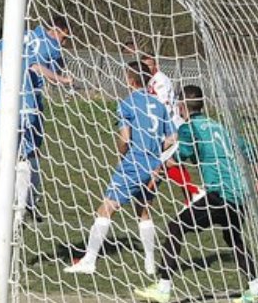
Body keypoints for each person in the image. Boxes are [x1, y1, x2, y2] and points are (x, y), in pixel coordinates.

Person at [134, 85, 258, 303]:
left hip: (220, 193)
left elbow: (183, 154)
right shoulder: (219, 126)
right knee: (233, 237)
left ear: (182, 106)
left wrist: (160, 167)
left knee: (175, 227)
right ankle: (256, 290)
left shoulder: (189, 127)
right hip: (239, 193)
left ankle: (163, 289)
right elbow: (248, 149)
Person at [64, 61, 176, 275]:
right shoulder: (160, 105)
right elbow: (172, 137)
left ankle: (89, 260)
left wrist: (122, 155)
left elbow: (125, 138)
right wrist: (156, 151)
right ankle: (150, 264)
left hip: (134, 162)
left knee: (106, 208)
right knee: (143, 211)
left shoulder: (127, 103)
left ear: (130, 80)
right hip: (154, 164)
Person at [0, 18, 72, 214]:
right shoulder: (23, 51)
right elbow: (38, 68)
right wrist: (62, 79)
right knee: (23, 158)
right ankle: (23, 206)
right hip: (24, 113)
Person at [140, 53, 203, 203]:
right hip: (163, 128)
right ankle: (191, 195)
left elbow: (163, 105)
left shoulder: (161, 81)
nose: (146, 69)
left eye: (149, 65)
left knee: (163, 162)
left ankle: (194, 191)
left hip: (171, 128)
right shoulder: (149, 81)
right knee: (165, 163)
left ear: (156, 65)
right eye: (144, 66)